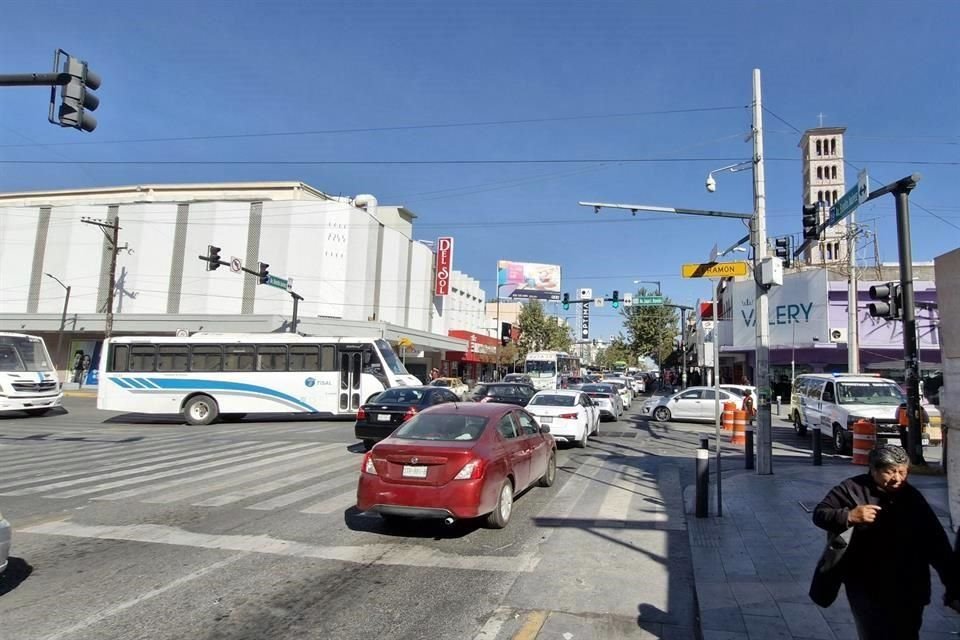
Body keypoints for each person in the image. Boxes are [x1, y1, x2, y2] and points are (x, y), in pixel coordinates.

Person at [812, 444, 956, 639]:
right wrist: (849, 516)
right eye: (890, 472)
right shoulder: (851, 489)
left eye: (902, 472)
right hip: (867, 586)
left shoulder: (912, 498)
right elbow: (820, 514)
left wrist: (953, 585)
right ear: (874, 470)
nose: (897, 478)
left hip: (910, 586)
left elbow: (937, 543)